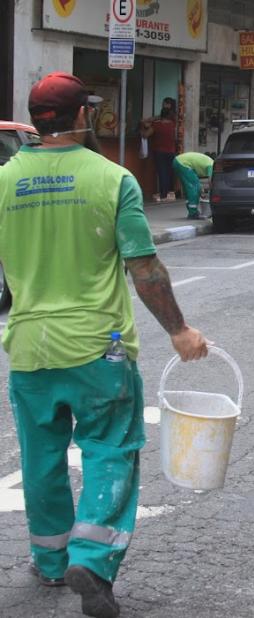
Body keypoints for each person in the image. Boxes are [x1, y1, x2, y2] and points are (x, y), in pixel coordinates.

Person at [0, 72, 209, 618]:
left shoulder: (3, 181)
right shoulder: (112, 179)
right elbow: (144, 268)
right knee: (110, 449)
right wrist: (179, 331)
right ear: (82, 117)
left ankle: (50, 563)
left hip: (29, 348)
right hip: (99, 349)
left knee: (42, 458)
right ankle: (91, 559)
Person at [141, 97, 178, 202]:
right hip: (171, 151)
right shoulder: (173, 124)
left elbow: (145, 135)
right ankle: (171, 193)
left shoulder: (157, 125)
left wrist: (143, 128)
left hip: (159, 151)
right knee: (170, 172)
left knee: (162, 173)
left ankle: (163, 194)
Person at [172, 151, 213, 219]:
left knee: (188, 189)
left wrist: (202, 191)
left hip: (177, 161)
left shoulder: (208, 162)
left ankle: (191, 211)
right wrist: (211, 192)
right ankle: (193, 213)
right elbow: (211, 180)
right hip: (184, 164)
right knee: (194, 188)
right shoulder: (212, 165)